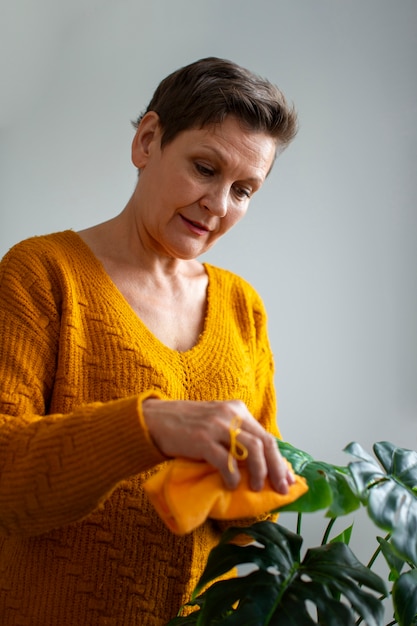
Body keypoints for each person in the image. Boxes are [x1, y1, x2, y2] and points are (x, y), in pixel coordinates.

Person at [0, 57, 298, 626]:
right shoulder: (41, 274)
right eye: (205, 168)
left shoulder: (242, 307)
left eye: (244, 190)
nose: (219, 205)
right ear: (147, 140)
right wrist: (152, 425)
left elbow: (246, 515)